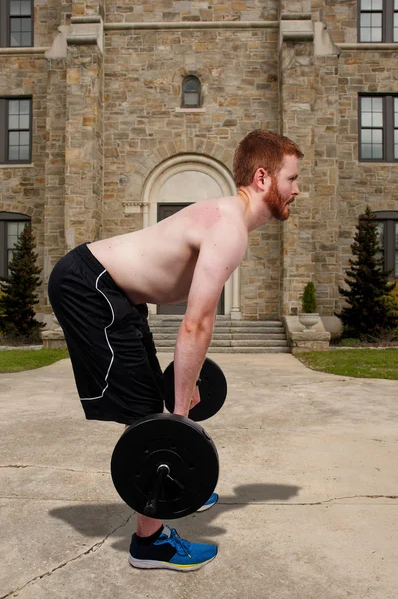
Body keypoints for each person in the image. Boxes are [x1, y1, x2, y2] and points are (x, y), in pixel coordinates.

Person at [48, 129, 303, 572]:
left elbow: (193, 327)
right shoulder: (229, 228)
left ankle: (178, 483)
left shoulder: (227, 218)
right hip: (89, 286)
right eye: (292, 179)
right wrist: (180, 419)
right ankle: (151, 543)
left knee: (155, 406)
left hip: (116, 293)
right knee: (156, 419)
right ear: (263, 178)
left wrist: (183, 396)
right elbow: (196, 322)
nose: (297, 190)